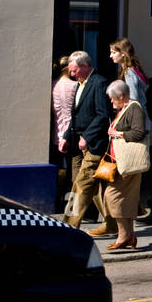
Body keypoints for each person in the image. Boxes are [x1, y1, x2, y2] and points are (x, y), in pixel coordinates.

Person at [110, 37, 152, 225]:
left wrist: (124, 124)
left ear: (123, 53)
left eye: (113, 52)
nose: (110, 56)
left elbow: (132, 101)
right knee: (144, 166)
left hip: (136, 125)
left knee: (142, 166)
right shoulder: (135, 71)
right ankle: (151, 208)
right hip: (142, 122)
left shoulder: (130, 73)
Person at [64, 51, 118, 237]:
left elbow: (102, 115)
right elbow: (77, 115)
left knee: (81, 185)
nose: (72, 75)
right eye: (71, 71)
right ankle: (111, 222)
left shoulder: (99, 83)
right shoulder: (80, 84)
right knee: (93, 189)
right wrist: (66, 136)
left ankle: (69, 225)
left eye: (75, 70)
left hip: (93, 145)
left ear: (86, 66)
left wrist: (87, 136)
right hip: (77, 145)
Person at [103, 80, 147, 251]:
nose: (111, 102)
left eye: (112, 99)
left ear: (121, 96)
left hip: (128, 164)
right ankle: (129, 235)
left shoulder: (134, 108)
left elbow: (139, 132)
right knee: (126, 200)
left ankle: (124, 235)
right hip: (119, 163)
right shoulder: (124, 109)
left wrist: (117, 133)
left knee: (112, 196)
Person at [51, 56, 75, 205]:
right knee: (73, 175)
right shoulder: (74, 86)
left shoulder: (53, 85)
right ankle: (72, 207)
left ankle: (58, 202)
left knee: (59, 171)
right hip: (71, 134)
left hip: (56, 133)